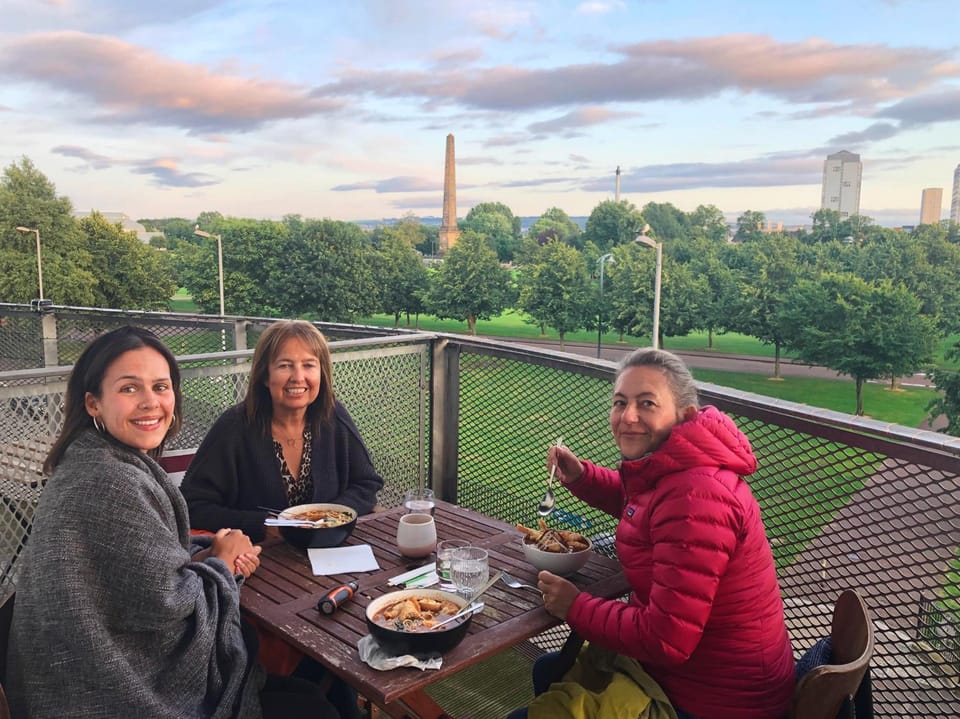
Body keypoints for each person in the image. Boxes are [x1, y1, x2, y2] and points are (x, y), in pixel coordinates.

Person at [5, 326, 339, 718]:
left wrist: (209, 551)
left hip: (87, 674)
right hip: (110, 693)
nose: (150, 403)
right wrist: (224, 561)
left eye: (161, 387)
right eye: (129, 389)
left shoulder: (102, 462)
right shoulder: (105, 482)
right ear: (93, 403)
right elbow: (169, 603)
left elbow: (142, 568)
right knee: (314, 701)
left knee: (318, 688)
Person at [511, 348, 795, 719]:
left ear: (684, 415)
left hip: (716, 700)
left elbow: (667, 639)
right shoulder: (679, 470)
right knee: (548, 668)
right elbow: (643, 507)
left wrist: (575, 606)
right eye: (620, 402)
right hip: (694, 676)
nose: (628, 416)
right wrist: (582, 475)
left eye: (646, 403)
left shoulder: (698, 495)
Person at [181, 319, 384, 542]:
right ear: (265, 376)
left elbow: (367, 483)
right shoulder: (234, 427)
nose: (298, 377)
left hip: (328, 551)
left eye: (308, 365)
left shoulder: (334, 415)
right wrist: (261, 525)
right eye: (285, 365)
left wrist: (329, 517)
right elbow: (191, 506)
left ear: (321, 373)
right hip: (259, 559)